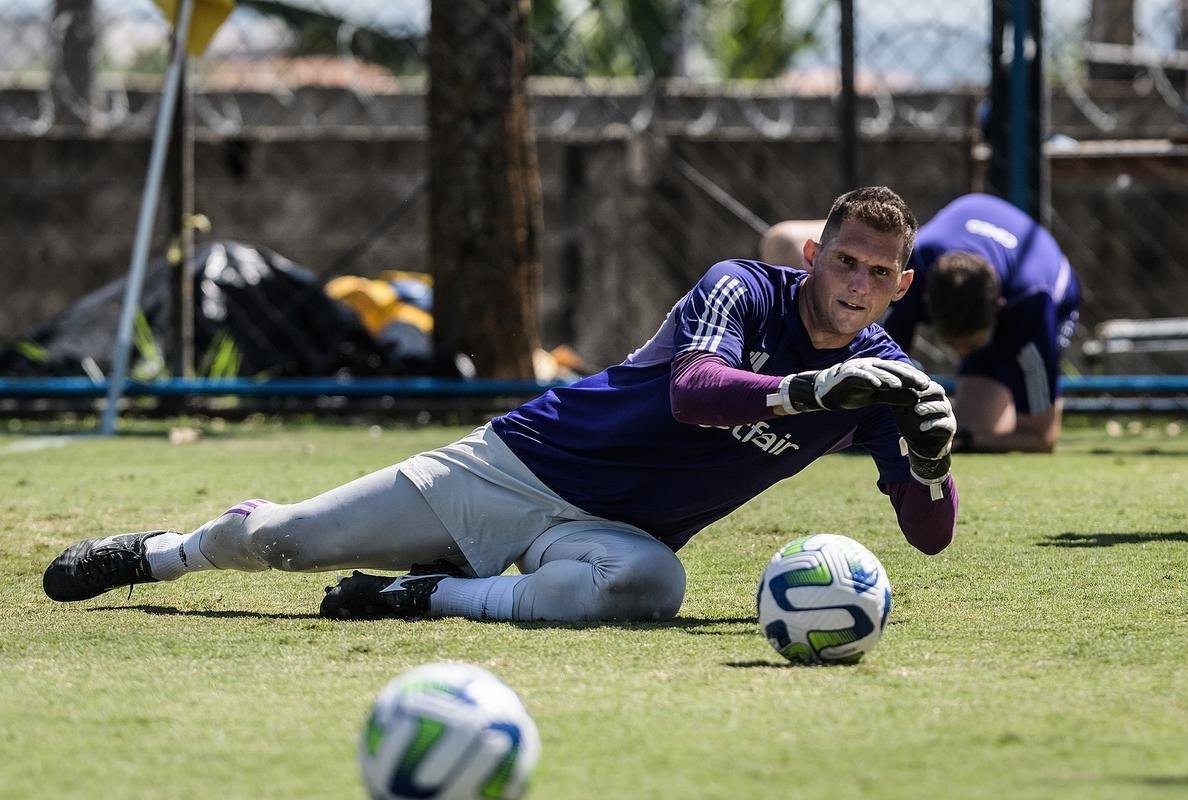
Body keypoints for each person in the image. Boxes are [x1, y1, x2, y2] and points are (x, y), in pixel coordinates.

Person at [43, 186, 958, 624]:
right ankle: (163, 554)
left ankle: (429, 596)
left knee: (652, 590)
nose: (858, 282)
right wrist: (808, 389)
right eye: (845, 260)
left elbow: (928, 535)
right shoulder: (742, 290)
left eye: (879, 273)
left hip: (610, 534)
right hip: (517, 464)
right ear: (814, 255)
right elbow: (693, 394)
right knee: (284, 543)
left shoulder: (881, 381)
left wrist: (931, 461)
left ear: (901, 284)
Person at [882, 194, 1080, 453]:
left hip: (1053, 292)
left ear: (998, 309)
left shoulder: (1033, 301)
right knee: (972, 423)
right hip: (979, 272)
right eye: (951, 342)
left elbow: (1043, 438)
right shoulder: (911, 269)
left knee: (1012, 432)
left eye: (969, 343)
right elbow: (880, 361)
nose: (959, 354)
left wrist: (965, 441)